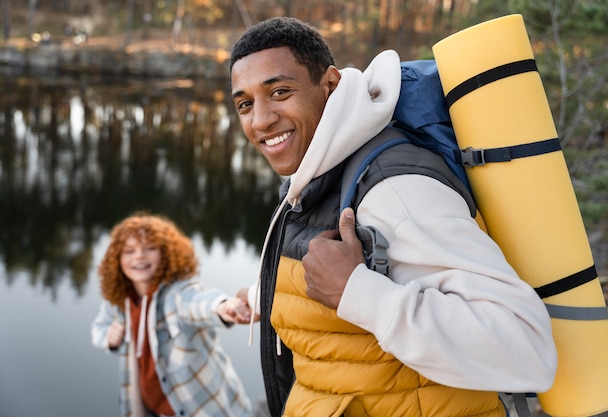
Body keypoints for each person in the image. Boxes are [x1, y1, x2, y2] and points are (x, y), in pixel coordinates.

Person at [230, 16, 557, 417]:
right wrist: (262, 294)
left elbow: (526, 350)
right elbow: (333, 278)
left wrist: (358, 293)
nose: (260, 120)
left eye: (279, 92)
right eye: (245, 103)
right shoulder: (323, 169)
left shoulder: (395, 189)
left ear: (329, 86)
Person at [91, 212, 253, 417]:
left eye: (150, 248)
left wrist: (223, 307)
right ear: (117, 259)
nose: (139, 256)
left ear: (166, 253)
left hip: (206, 409)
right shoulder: (118, 302)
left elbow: (197, 302)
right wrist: (109, 338)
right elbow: (99, 327)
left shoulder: (176, 294)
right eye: (129, 251)